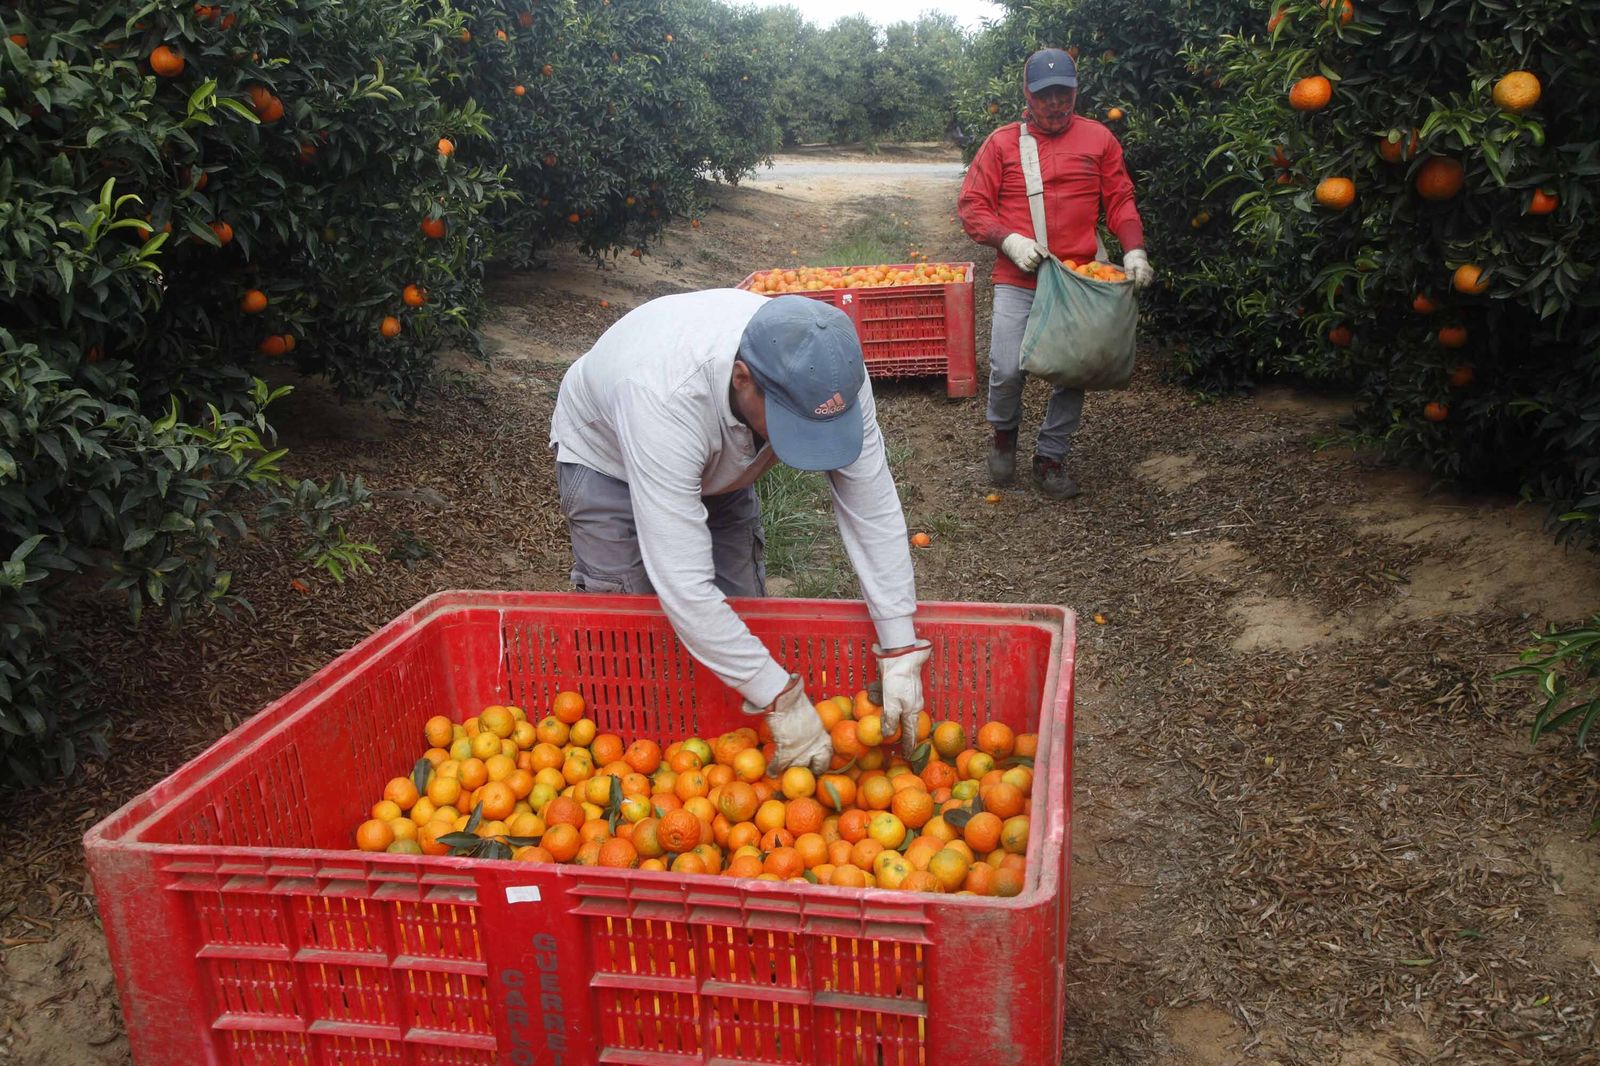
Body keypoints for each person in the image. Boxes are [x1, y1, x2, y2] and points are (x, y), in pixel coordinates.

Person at [548, 290, 933, 773]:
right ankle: (630, 761)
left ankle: (727, 749)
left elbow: (870, 506)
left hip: (720, 453)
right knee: (632, 637)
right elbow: (684, 587)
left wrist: (899, 645)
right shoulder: (663, 395)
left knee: (741, 608)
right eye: (793, 426)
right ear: (743, 379)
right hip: (611, 461)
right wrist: (781, 698)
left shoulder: (830, 373)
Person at [958, 46, 1154, 500]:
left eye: (1063, 93)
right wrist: (1008, 240)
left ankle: (1050, 457)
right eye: (1045, 95)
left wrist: (1134, 250)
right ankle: (1004, 435)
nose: (1054, 104)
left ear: (1076, 91)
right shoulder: (1003, 143)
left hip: (1079, 277)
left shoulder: (1098, 139)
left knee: (1074, 369)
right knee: (1006, 368)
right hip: (1021, 273)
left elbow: (1120, 199)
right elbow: (972, 206)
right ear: (1028, 93)